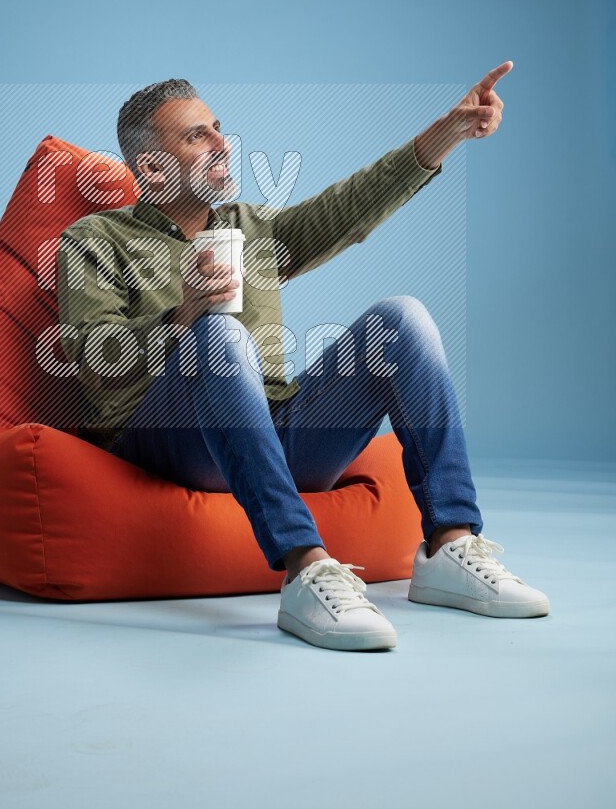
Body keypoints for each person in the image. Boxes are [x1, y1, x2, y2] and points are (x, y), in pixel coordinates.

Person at [56, 65, 549, 651]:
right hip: (168, 443)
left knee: (402, 319)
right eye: (197, 136)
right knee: (217, 332)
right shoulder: (95, 237)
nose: (222, 144)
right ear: (151, 167)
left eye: (218, 128)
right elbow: (87, 352)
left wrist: (446, 134)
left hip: (276, 431)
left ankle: (449, 544)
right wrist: (180, 317)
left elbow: (348, 208)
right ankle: (305, 566)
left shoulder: (252, 229)